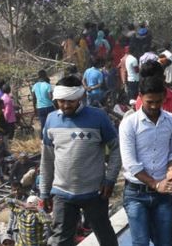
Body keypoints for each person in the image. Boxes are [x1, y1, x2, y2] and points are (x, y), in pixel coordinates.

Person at [39, 76, 119, 246]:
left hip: (94, 193)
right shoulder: (51, 120)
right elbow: (47, 159)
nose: (66, 105)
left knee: (105, 236)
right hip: (62, 193)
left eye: (71, 101)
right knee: (60, 240)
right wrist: (44, 192)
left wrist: (110, 178)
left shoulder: (98, 117)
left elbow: (116, 149)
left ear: (80, 97)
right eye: (61, 101)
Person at [120, 75, 172, 246]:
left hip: (165, 194)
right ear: (140, 96)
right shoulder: (129, 124)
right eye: (150, 102)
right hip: (136, 194)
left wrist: (171, 170)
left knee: (165, 242)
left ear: (164, 97)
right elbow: (130, 164)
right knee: (140, 242)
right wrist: (155, 184)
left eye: (158, 101)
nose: (155, 106)